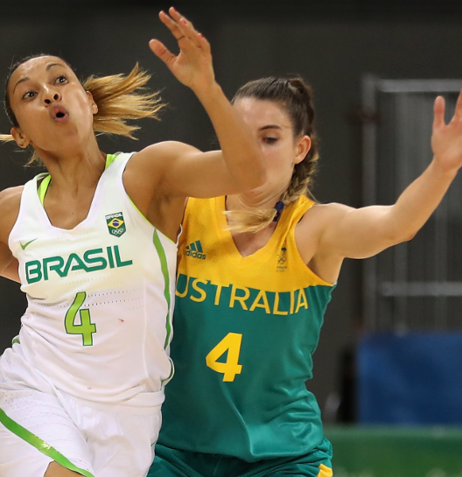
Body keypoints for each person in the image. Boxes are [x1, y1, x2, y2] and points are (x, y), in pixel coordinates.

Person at [0, 8, 266, 477]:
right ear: (20, 135)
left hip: (132, 416)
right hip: (35, 393)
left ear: (87, 101)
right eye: (30, 94)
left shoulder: (148, 174)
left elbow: (252, 176)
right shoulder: (11, 210)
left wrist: (207, 88)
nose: (49, 93)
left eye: (59, 80)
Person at [148, 78, 462, 477]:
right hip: (175, 451)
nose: (253, 152)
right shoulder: (185, 210)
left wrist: (443, 167)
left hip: (281, 455)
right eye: (242, 136)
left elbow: (395, 225)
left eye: (270, 138)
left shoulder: (314, 228)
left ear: (300, 148)